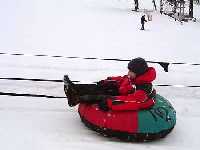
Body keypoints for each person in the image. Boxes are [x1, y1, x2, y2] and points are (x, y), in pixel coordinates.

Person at [64, 57, 156, 111]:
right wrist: (108, 81)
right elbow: (122, 79)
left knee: (101, 96)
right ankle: (74, 87)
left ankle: (75, 99)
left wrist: (110, 102)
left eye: (131, 71)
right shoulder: (135, 78)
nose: (128, 73)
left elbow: (133, 101)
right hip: (122, 92)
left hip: (121, 97)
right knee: (100, 86)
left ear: (138, 72)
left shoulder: (143, 88)